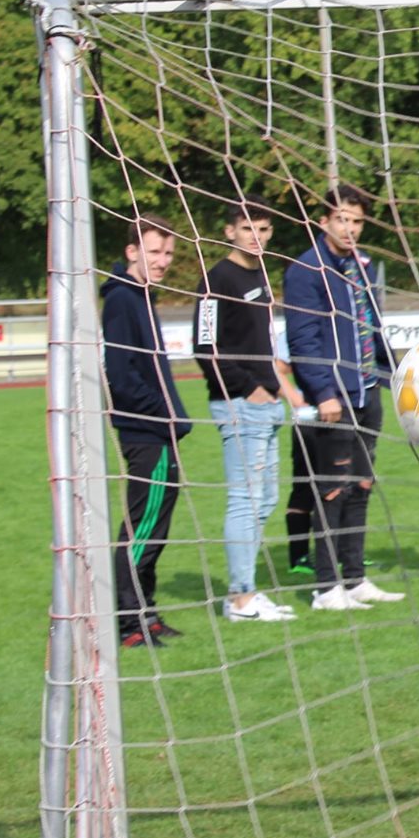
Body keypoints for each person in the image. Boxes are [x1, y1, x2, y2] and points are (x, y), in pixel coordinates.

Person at [284, 184, 408, 613]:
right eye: (342, 219)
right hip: (334, 399)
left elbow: (372, 328)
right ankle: (325, 587)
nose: (350, 228)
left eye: (356, 221)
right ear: (324, 221)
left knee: (361, 487)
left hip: (367, 393)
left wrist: (395, 376)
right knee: (332, 490)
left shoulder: (362, 267)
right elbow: (303, 339)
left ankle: (355, 579)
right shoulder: (305, 271)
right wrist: (324, 392)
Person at [193, 198, 304, 622]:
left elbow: (259, 343)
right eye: (248, 229)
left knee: (265, 499)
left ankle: (246, 592)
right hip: (240, 405)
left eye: (264, 229)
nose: (257, 237)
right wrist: (250, 388)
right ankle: (241, 600)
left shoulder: (259, 273)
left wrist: (279, 387)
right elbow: (205, 348)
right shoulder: (215, 280)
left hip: (267, 403)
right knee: (245, 500)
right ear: (229, 231)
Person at [103, 214, 194, 646]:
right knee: (142, 530)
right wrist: (166, 413)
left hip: (159, 432)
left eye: (169, 253)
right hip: (146, 433)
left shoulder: (141, 296)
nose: (163, 260)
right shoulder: (122, 299)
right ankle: (128, 623)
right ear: (132, 251)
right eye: (154, 251)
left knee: (155, 528)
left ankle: (147, 613)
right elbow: (122, 376)